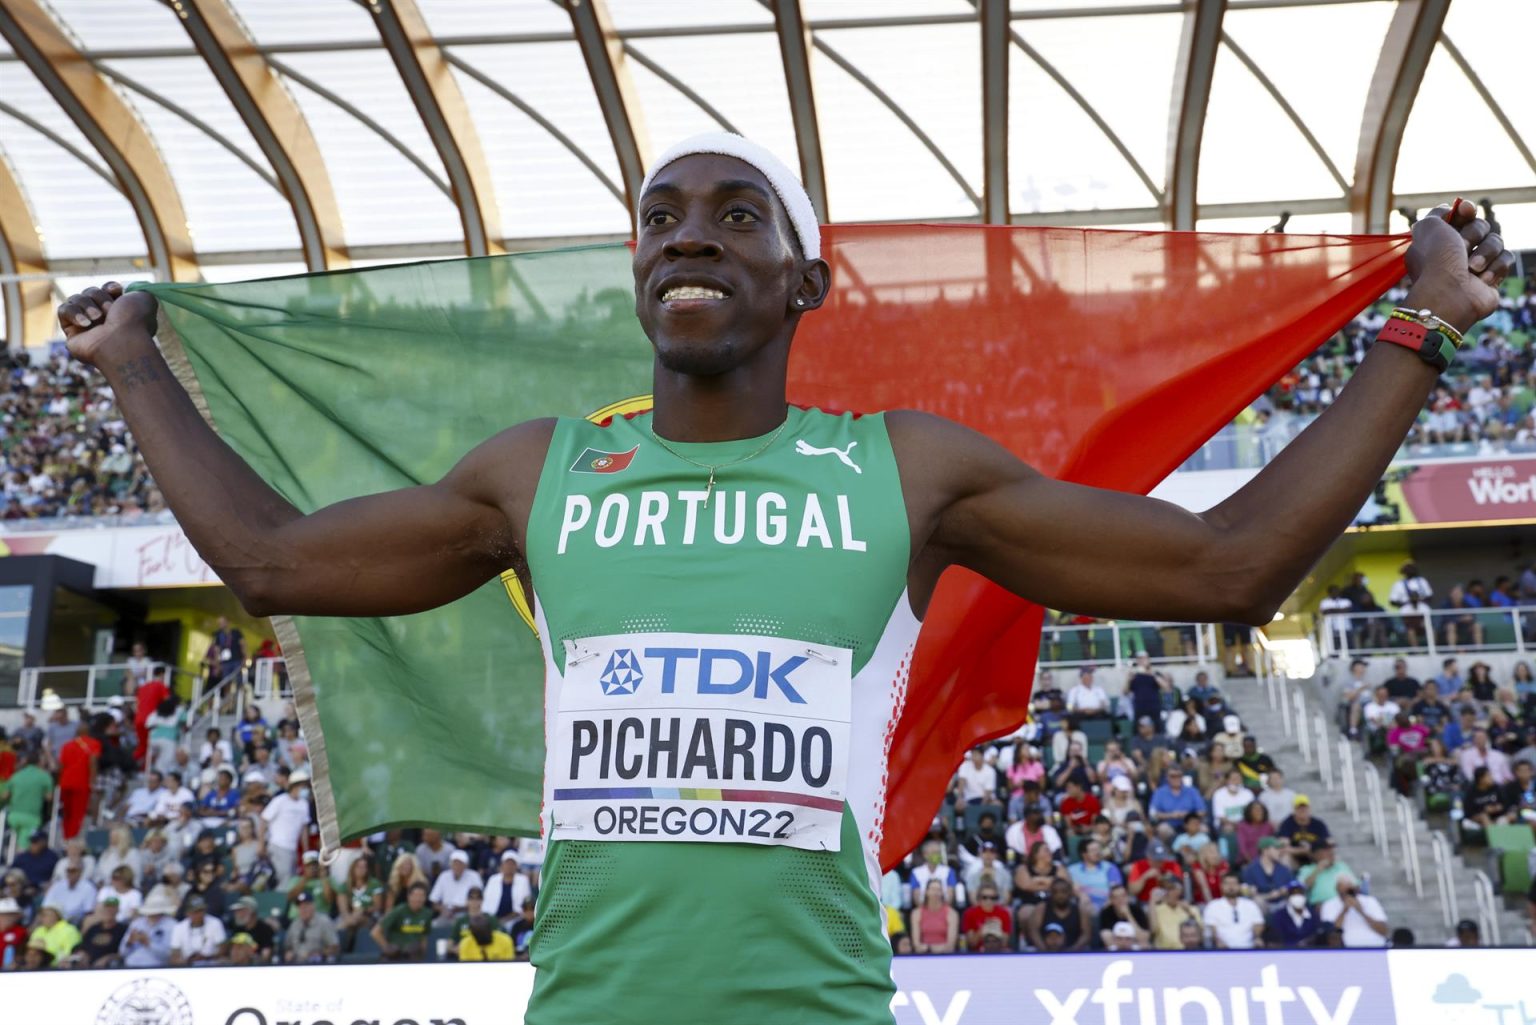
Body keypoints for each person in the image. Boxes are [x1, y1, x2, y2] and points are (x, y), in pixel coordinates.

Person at [60, 139, 1509, 1020]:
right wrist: (131, 366)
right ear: (636, 269)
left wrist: (1418, 331)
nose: (690, 230)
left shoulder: (906, 471)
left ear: (809, 283)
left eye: (738, 213)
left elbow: (1236, 567)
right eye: (664, 214)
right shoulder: (536, 471)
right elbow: (268, 563)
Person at [1318, 873, 1388, 948]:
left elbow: (1383, 931)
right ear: (1337, 889)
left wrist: (1361, 911)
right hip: (1345, 950)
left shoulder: (1370, 901)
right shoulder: (1328, 905)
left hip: (1376, 947)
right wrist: (1344, 911)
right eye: (1343, 891)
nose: (1347, 893)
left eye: (1350, 890)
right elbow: (1332, 935)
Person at [1024, 878, 1091, 953]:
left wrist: (1073, 950)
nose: (1060, 895)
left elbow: (1086, 934)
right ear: (1051, 893)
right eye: (1055, 892)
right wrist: (1044, 950)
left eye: (1064, 892)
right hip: (1045, 952)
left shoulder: (1080, 910)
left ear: (1070, 893)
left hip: (1074, 953)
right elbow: (1034, 932)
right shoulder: (1041, 909)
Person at [373, 881, 433, 961]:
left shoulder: (427, 913)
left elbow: (424, 936)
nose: (418, 899)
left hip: (413, 954)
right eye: (415, 895)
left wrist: (423, 954)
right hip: (396, 954)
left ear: (425, 898)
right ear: (409, 896)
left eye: (421, 896)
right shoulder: (399, 911)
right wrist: (387, 947)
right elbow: (375, 932)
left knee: (414, 948)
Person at [1204, 872, 1265, 949]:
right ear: (1221, 886)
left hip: (1249, 948)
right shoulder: (1213, 906)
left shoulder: (1250, 905)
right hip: (1222, 949)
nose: (1231, 887)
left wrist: (1257, 937)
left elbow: (1258, 924)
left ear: (1239, 886)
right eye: (1227, 884)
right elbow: (1211, 928)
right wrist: (1218, 941)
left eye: (1234, 883)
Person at [0, 754, 52, 840]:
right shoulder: (44, 776)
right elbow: (49, 797)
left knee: (18, 841)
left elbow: (5, 796)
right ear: (39, 763)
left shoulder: (16, 775)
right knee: (25, 845)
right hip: (31, 817)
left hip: (13, 816)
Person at [283, 890, 339, 964]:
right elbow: (287, 946)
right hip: (295, 964)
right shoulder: (295, 924)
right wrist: (288, 953)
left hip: (317, 964)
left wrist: (319, 953)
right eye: (300, 906)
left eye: (306, 906)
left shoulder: (324, 922)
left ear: (313, 906)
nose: (303, 909)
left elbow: (335, 948)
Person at [908, 879, 958, 955]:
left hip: (945, 956)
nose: (936, 892)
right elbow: (916, 945)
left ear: (942, 893)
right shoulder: (916, 913)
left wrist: (929, 948)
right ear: (926, 892)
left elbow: (950, 946)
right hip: (923, 956)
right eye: (933, 889)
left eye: (939, 890)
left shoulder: (952, 914)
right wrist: (931, 948)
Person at [1240, 836, 1293, 907]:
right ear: (1265, 850)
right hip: (1262, 905)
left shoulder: (1284, 869)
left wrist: (1285, 890)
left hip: (1282, 904)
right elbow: (1247, 892)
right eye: (1276, 848)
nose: (1279, 851)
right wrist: (1268, 896)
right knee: (1258, 901)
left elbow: (1292, 886)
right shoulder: (1250, 870)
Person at [1269, 880, 1321, 948]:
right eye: (1293, 893)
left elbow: (1316, 937)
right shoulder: (1279, 916)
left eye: (1300, 893)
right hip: (1286, 954)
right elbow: (1277, 940)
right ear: (1288, 896)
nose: (1297, 896)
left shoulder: (1313, 915)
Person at [1096, 884, 1149, 949]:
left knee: (1145, 944)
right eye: (1116, 897)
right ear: (1111, 900)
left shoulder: (1137, 910)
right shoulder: (1106, 912)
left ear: (1128, 897)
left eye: (1123, 896)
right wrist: (1122, 943)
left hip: (1135, 946)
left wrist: (1128, 915)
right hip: (1115, 947)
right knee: (1106, 934)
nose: (1120, 900)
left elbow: (1144, 938)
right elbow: (1106, 936)